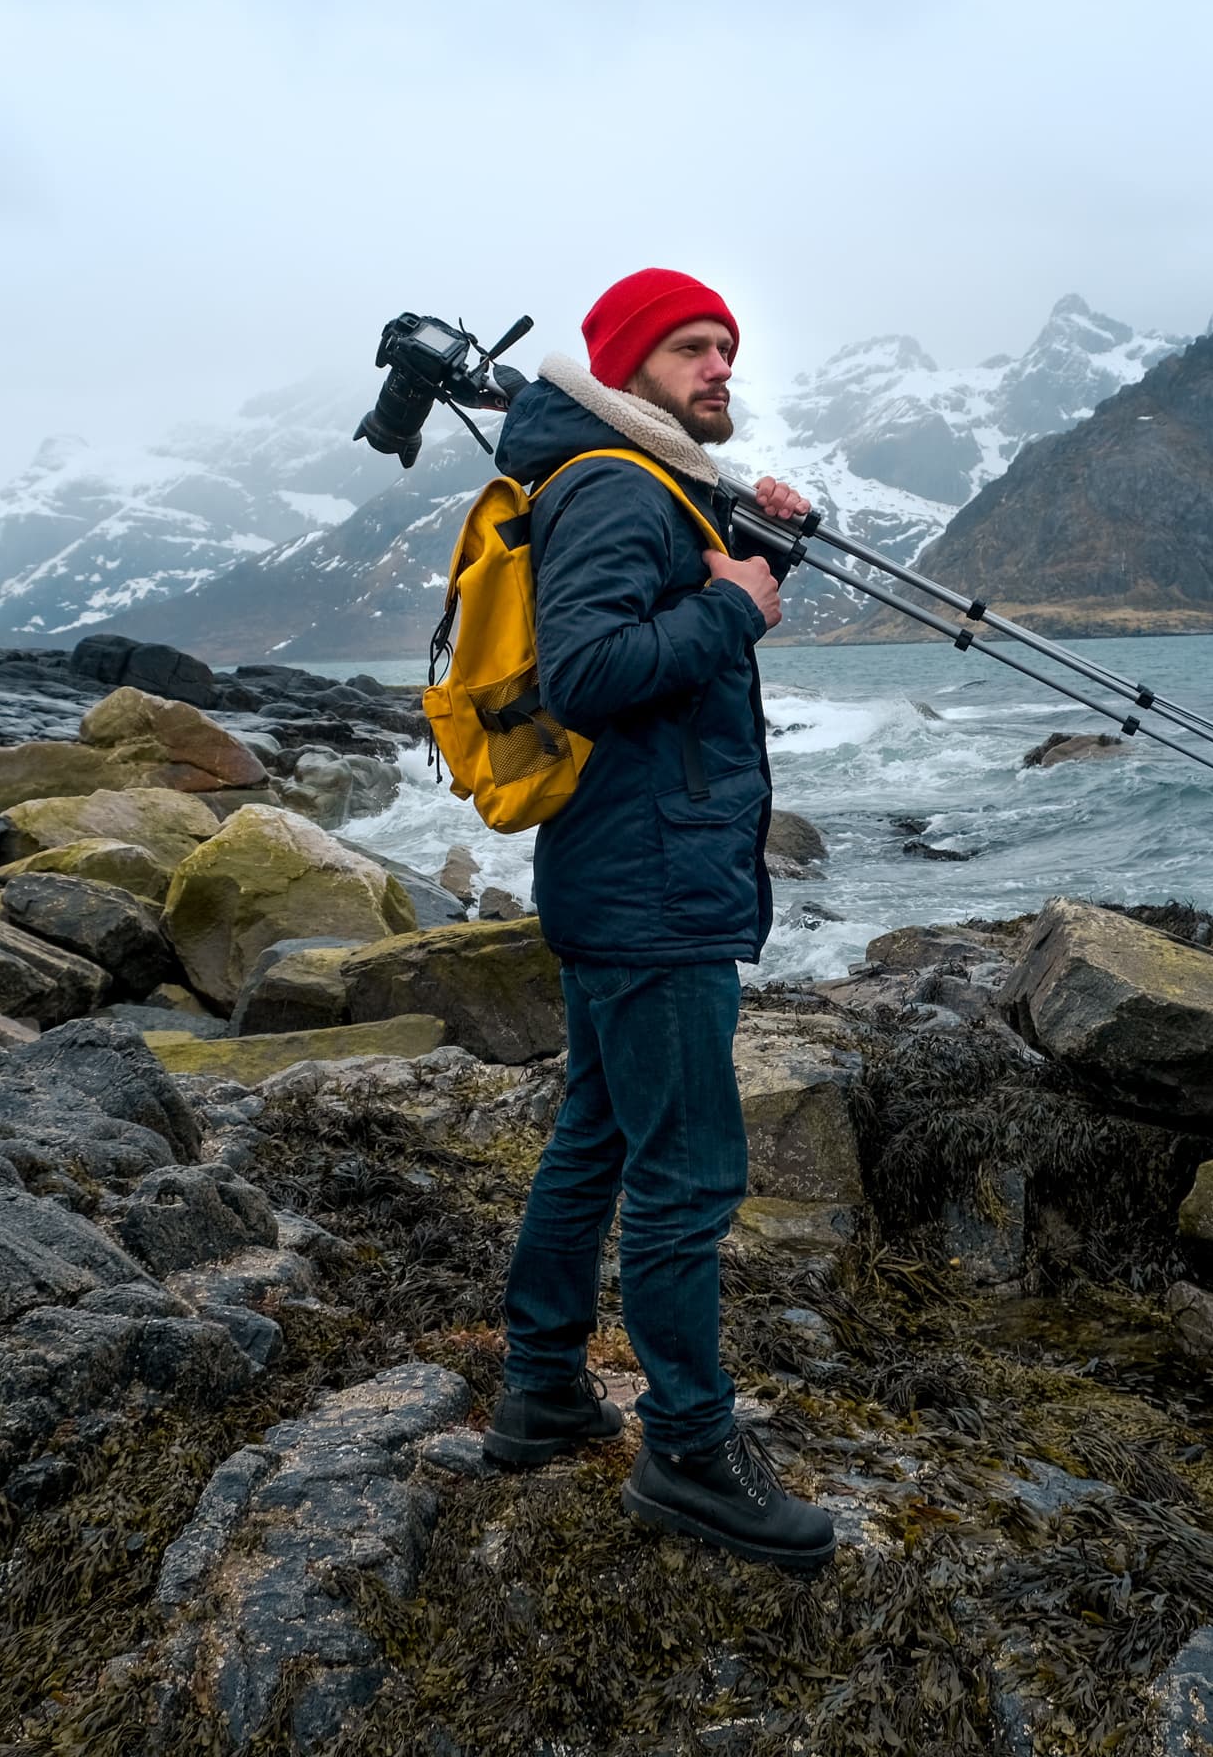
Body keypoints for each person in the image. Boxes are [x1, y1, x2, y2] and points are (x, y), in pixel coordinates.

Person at [475, 266, 835, 1570]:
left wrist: (757, 558)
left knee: (596, 1135)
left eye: (726, 347)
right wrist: (736, 604)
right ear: (629, 367)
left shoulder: (639, 481)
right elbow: (588, 671)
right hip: (654, 888)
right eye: (690, 348)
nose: (718, 366)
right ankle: (689, 1451)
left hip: (619, 869)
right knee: (688, 1176)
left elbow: (668, 619)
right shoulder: (624, 487)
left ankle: (541, 1387)